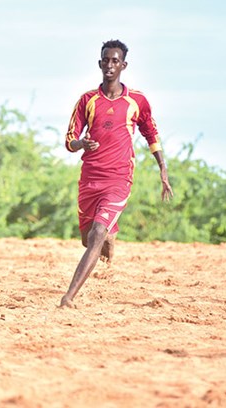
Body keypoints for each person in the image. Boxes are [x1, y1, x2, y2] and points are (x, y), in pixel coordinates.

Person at [60, 39, 173, 308]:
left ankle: (68, 297)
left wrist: (162, 169)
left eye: (115, 61)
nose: (110, 65)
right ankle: (109, 236)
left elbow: (150, 132)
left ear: (123, 65)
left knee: (97, 233)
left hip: (119, 177)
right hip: (90, 177)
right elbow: (69, 140)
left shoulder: (137, 101)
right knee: (88, 238)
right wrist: (81, 144)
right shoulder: (87, 100)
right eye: (105, 60)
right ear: (100, 64)